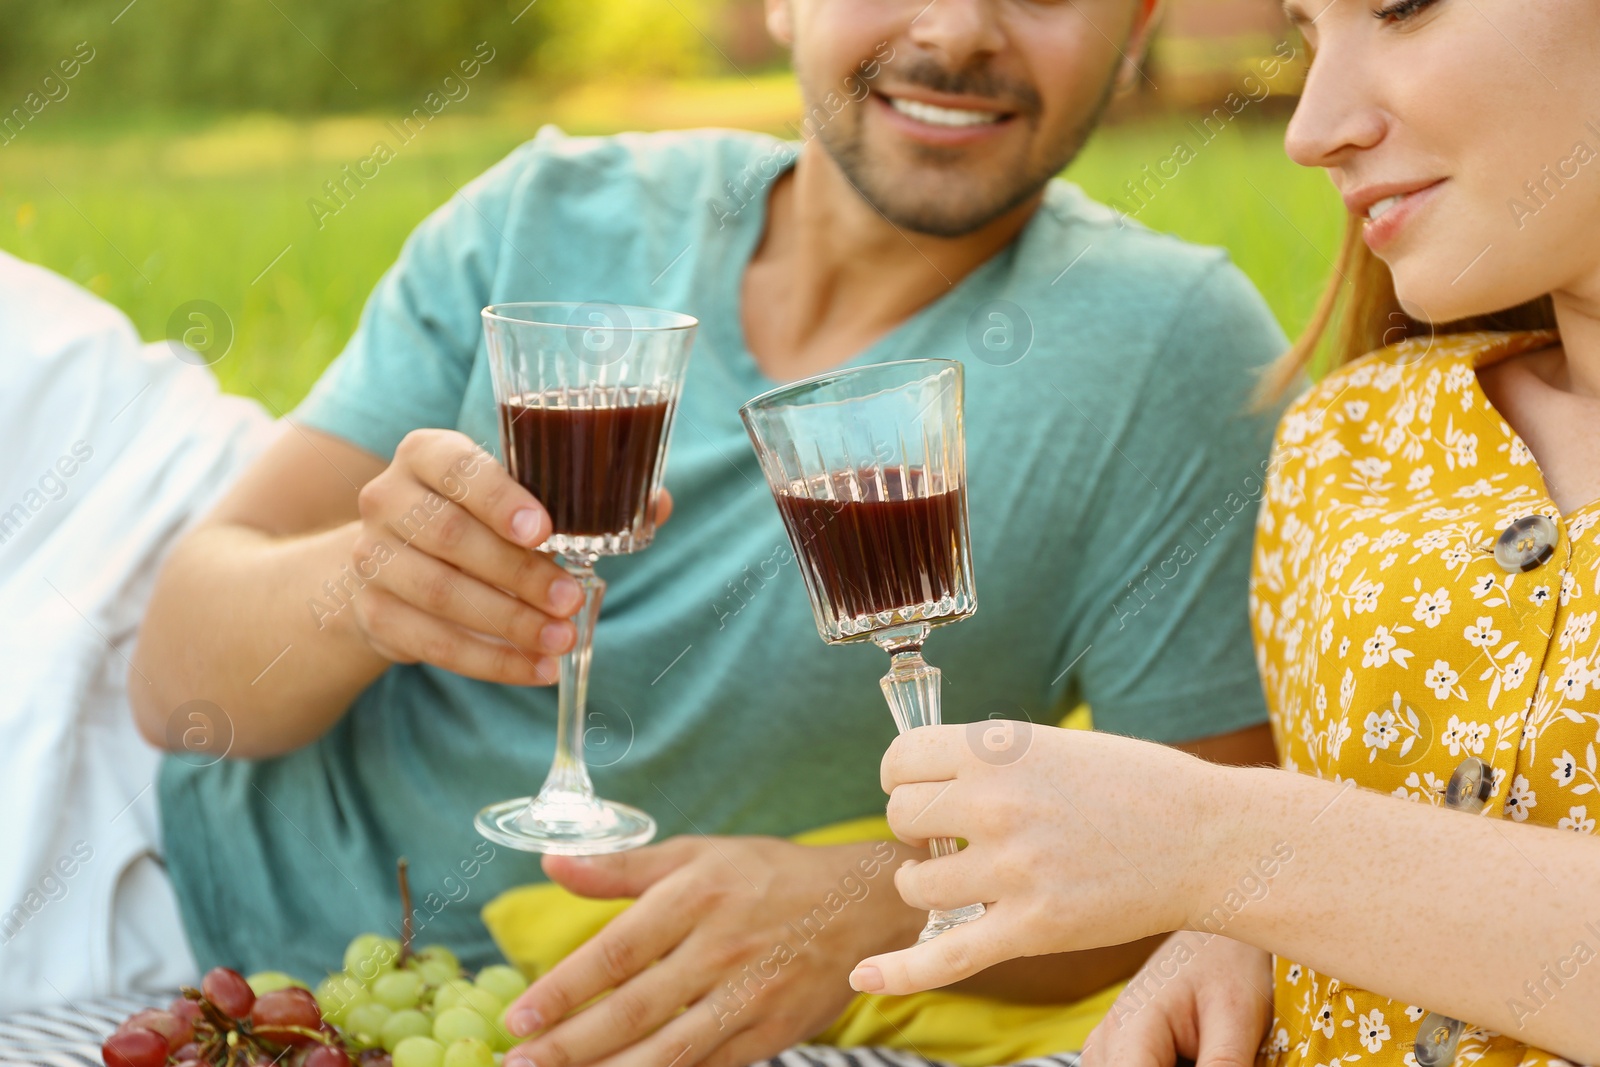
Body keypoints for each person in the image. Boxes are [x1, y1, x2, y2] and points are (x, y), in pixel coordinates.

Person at [131, 0, 1288, 1062]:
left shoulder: (1170, 353)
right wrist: (362, 586)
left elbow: (1217, 870)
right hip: (167, 892)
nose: (958, 29)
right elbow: (175, 675)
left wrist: (872, 903)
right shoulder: (544, 219)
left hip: (530, 1024)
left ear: (1136, 24)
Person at [851, 1, 1600, 1065]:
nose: (1312, 127)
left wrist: (1226, 850)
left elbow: (1280, 849)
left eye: (1399, 6)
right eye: (1305, 33)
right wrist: (1234, 927)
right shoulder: (1355, 437)